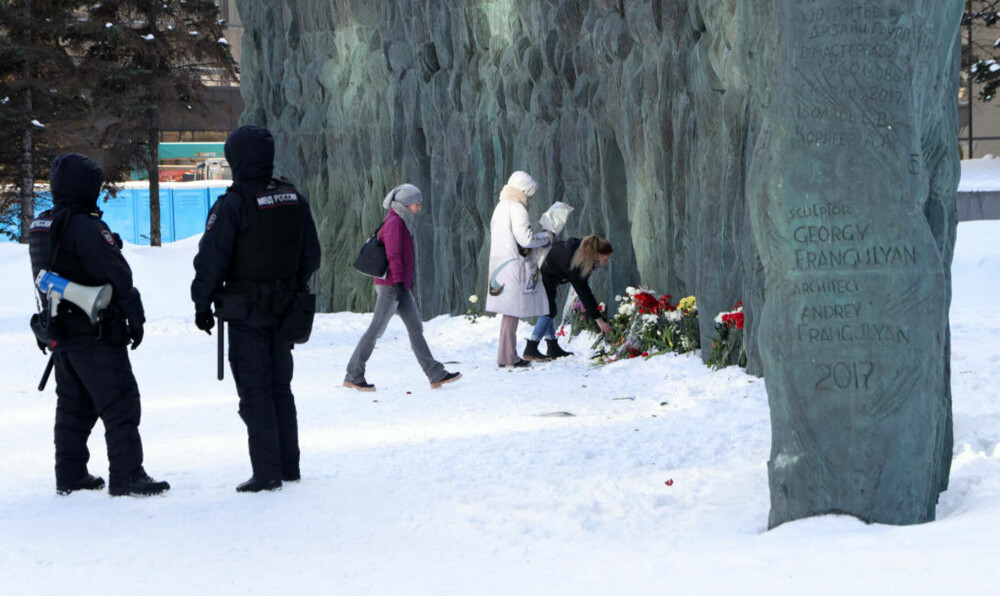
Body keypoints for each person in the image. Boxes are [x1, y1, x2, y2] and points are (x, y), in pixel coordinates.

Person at [28, 153, 169, 497]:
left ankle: (71, 474)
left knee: (74, 405)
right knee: (120, 401)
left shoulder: (43, 223)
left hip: (62, 333)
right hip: (95, 331)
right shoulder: (86, 226)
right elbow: (117, 275)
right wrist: (135, 316)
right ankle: (127, 475)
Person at [191, 125, 321, 493]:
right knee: (281, 388)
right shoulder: (292, 196)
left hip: (247, 313)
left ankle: (267, 473)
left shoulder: (233, 204)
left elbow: (211, 261)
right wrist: (291, 287)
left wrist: (202, 302)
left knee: (256, 391)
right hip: (285, 310)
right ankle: (288, 466)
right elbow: (312, 254)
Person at [344, 184, 461, 391]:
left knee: (416, 328)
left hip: (400, 285)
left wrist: (402, 284)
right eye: (417, 204)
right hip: (392, 286)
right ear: (407, 203)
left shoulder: (402, 221)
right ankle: (353, 374)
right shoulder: (394, 223)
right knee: (375, 331)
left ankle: (435, 374)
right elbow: (394, 255)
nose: (418, 208)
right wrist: (398, 282)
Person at [484, 171, 553, 367]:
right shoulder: (517, 208)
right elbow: (526, 239)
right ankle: (508, 357)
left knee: (509, 312)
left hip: (501, 264)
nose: (530, 196)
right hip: (514, 265)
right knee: (512, 311)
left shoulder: (501, 206)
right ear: (524, 190)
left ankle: (506, 355)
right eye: (530, 192)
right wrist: (546, 237)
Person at [523, 236, 614, 360]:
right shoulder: (577, 263)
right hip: (542, 272)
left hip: (547, 271)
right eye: (605, 259)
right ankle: (531, 348)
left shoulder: (581, 249)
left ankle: (552, 347)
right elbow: (584, 292)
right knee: (548, 310)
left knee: (548, 309)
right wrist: (598, 319)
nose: (606, 262)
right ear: (598, 254)